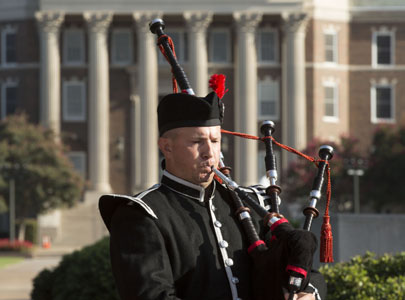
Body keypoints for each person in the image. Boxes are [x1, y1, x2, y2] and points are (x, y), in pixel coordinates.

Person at [99, 91, 326, 300]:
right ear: (166, 147)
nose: (210, 152)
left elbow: (300, 266)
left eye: (215, 141)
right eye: (197, 142)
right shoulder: (140, 214)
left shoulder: (251, 203)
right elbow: (151, 296)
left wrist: (309, 294)